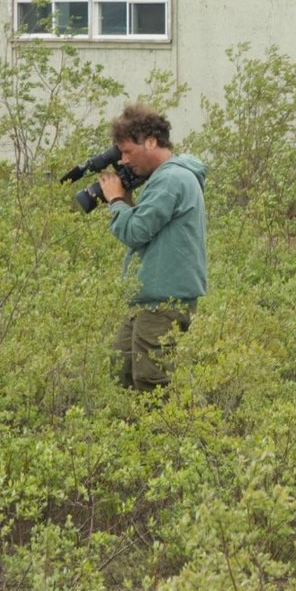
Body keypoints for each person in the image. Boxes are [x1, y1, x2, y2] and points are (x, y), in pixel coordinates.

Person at [98, 103, 208, 391]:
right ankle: (135, 434)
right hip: (150, 299)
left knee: (151, 381)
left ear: (150, 141)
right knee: (121, 372)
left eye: (127, 152)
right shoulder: (166, 178)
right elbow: (148, 232)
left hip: (163, 302)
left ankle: (169, 435)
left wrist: (116, 200)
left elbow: (135, 232)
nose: (122, 161)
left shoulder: (170, 179)